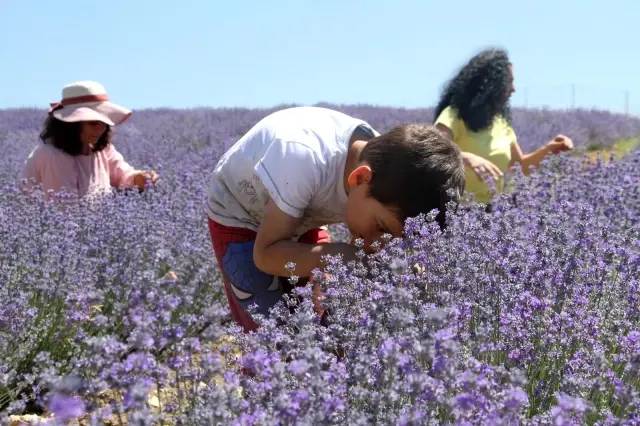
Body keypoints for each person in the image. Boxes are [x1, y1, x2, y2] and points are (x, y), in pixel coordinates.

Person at [206, 106, 466, 333]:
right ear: (360, 179)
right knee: (269, 332)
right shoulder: (303, 160)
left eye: (393, 240)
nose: (378, 245)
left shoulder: (387, 169)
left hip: (301, 213)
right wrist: (338, 254)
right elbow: (265, 255)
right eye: (380, 229)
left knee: (322, 317)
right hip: (239, 214)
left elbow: (379, 230)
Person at [433, 48, 573, 206]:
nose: (514, 89)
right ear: (491, 85)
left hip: (492, 213)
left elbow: (520, 167)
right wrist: (465, 157)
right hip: (456, 212)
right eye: (509, 82)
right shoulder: (454, 115)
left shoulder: (500, 122)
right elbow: (434, 148)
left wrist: (549, 149)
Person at [21, 81, 158, 202]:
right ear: (71, 125)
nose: (101, 129)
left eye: (104, 122)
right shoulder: (52, 155)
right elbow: (63, 211)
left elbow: (122, 175)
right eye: (93, 123)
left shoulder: (101, 148)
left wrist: (138, 178)